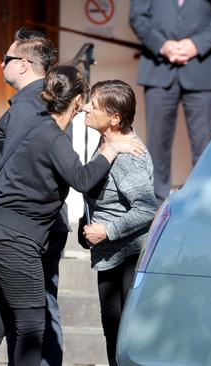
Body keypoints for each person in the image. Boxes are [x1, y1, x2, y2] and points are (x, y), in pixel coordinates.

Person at [0, 65, 144, 366]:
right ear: (76, 101)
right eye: (86, 100)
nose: (87, 106)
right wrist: (112, 149)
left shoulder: (36, 128)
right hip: (13, 240)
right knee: (33, 326)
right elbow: (83, 179)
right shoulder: (51, 136)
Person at [0, 27, 67, 366]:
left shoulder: (31, 107)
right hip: (14, 230)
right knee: (19, 324)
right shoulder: (33, 106)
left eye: (7, 59)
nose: (1, 65)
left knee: (21, 324)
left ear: (24, 64)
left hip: (19, 229)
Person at [81, 80, 158, 366]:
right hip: (111, 257)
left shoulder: (127, 156)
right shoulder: (110, 144)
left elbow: (147, 209)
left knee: (123, 344)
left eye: (94, 105)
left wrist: (107, 230)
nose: (86, 108)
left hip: (126, 258)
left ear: (115, 118)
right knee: (115, 339)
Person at [129, 0, 211, 203]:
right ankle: (156, 204)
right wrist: (162, 45)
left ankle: (201, 203)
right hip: (158, 69)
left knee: (204, 146)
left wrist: (196, 44)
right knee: (156, 144)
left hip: (203, 69)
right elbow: (137, 16)